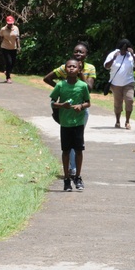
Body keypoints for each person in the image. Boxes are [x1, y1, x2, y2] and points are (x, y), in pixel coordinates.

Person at [43, 42, 95, 177]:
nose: (78, 54)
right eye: (76, 51)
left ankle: (74, 168)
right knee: (68, 138)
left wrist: (81, 73)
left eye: (81, 52)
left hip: (81, 109)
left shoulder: (90, 68)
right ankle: (72, 169)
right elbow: (47, 78)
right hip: (66, 110)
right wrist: (61, 89)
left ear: (86, 54)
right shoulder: (66, 67)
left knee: (77, 139)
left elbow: (89, 88)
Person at [49, 59, 91, 191]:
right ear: (65, 70)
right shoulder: (60, 85)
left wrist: (80, 106)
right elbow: (52, 102)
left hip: (78, 123)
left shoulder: (82, 86)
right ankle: (67, 179)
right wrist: (62, 105)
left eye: (74, 67)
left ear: (79, 70)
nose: (71, 68)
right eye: (69, 67)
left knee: (79, 150)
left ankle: (78, 176)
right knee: (65, 151)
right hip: (65, 124)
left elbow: (88, 102)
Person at [104, 39, 135, 129]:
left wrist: (133, 55)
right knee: (118, 103)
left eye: (126, 49)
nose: (124, 51)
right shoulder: (113, 54)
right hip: (116, 84)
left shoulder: (131, 56)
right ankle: (117, 121)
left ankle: (127, 121)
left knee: (129, 100)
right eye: (122, 49)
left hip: (129, 82)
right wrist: (113, 58)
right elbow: (106, 66)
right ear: (119, 48)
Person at [0, 16, 20, 83]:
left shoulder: (16, 28)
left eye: (11, 23)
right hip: (5, 47)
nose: (10, 25)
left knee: (13, 63)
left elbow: (17, 38)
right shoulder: (3, 29)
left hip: (13, 48)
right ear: (6, 23)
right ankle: (8, 77)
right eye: (9, 23)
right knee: (9, 62)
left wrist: (19, 46)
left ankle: (7, 71)